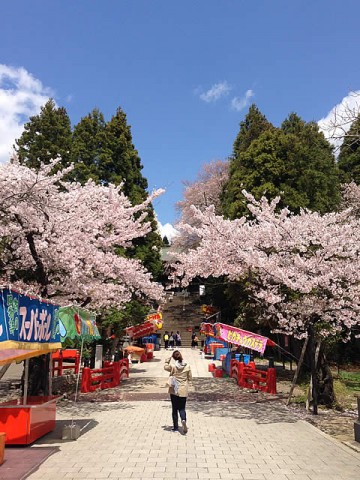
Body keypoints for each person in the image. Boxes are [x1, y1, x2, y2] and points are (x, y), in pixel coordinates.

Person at [164, 350, 192, 433]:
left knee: (174, 409)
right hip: (183, 389)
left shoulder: (173, 366)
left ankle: (175, 427)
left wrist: (167, 361)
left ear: (173, 358)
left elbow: (165, 367)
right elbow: (190, 378)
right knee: (182, 408)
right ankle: (183, 420)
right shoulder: (187, 366)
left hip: (174, 390)